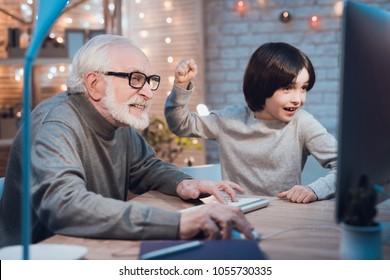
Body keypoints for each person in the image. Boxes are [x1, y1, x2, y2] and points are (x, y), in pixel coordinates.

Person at [0, 34, 255, 247]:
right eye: (135, 79)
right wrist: (180, 223)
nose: (146, 92)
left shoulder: (117, 118)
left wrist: (184, 183)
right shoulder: (54, 126)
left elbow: (146, 167)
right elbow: (65, 205)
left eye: (149, 80)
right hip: (44, 257)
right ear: (95, 83)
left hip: (92, 245)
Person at [165, 42, 338, 204]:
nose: (298, 99)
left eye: (303, 88)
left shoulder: (302, 123)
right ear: (262, 85)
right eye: (287, 88)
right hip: (237, 210)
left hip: (285, 215)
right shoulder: (227, 120)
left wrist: (315, 190)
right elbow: (180, 124)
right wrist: (181, 85)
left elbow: (347, 168)